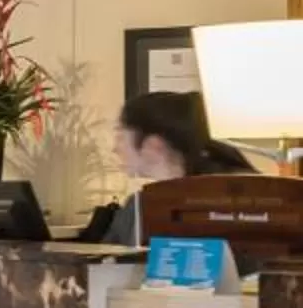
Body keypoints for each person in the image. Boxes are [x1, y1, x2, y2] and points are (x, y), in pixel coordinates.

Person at [84, 90, 259, 243]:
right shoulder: (137, 207)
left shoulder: (234, 200)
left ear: (153, 145)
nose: (115, 148)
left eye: (121, 135)